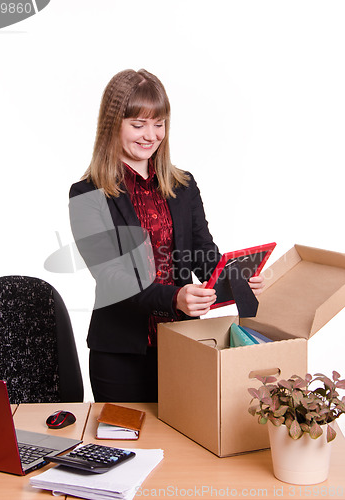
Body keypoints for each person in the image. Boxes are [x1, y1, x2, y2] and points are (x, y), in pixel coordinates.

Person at [69, 69, 264, 403]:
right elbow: (112, 279)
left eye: (159, 124)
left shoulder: (183, 185)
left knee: (187, 445)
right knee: (126, 450)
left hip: (185, 345)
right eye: (138, 124)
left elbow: (203, 255)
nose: (151, 135)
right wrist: (173, 298)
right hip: (119, 357)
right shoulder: (87, 194)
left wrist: (239, 280)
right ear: (112, 123)